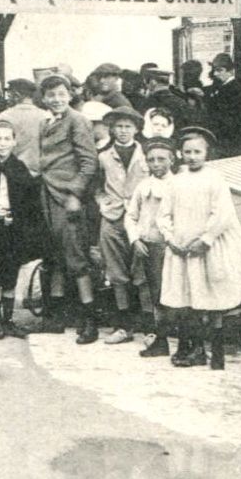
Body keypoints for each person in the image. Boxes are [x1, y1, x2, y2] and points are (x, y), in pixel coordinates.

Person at [157, 127, 241, 370]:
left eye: (197, 152)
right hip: (182, 247)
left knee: (211, 298)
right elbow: (164, 214)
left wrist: (205, 240)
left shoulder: (215, 179)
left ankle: (216, 353)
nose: (192, 156)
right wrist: (171, 239)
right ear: (180, 154)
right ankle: (195, 350)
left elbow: (222, 213)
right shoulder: (175, 181)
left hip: (208, 247)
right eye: (187, 152)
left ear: (206, 153)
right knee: (189, 298)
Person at [36, 75, 100, 344]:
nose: (56, 99)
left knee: (76, 257)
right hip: (47, 194)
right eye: (51, 95)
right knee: (54, 255)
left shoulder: (78, 120)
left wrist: (75, 194)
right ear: (44, 98)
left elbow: (89, 162)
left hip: (67, 198)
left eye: (61, 94)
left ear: (70, 95)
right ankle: (56, 317)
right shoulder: (44, 122)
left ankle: (90, 321)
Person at [0, 119, 45, 339]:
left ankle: (7, 320)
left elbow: (29, 202)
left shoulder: (19, 168)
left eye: (7, 139)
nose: (3, 143)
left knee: (10, 274)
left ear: (14, 142)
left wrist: (16, 216)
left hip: (13, 229)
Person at [94, 108, 149, 345]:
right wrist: (104, 204)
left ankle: (149, 328)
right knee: (116, 273)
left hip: (141, 220)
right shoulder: (104, 156)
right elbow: (95, 187)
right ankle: (123, 326)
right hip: (113, 219)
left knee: (143, 272)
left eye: (128, 126)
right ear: (112, 129)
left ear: (136, 129)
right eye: (119, 126)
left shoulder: (147, 155)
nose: (123, 131)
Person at [126, 137, 177, 357]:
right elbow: (131, 216)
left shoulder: (178, 185)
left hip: (171, 247)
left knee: (173, 295)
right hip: (148, 246)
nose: (156, 164)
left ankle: (184, 342)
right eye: (152, 160)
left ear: (172, 160)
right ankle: (161, 341)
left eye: (161, 159)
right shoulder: (143, 185)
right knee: (155, 294)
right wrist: (135, 240)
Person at [202, 54, 241, 159]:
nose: (215, 74)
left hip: (234, 146)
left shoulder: (234, 90)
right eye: (214, 70)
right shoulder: (224, 87)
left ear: (231, 71)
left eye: (220, 70)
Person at [0, 78, 48, 177]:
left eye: (10, 95)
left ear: (17, 96)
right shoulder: (46, 117)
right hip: (40, 175)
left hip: (11, 174)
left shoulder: (3, 117)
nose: (8, 99)